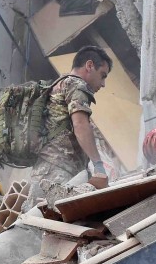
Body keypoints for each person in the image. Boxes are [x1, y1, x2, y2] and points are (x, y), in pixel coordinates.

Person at [31, 45, 113, 192]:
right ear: (89, 65)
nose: (103, 84)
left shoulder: (60, 84)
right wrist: (98, 165)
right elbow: (80, 124)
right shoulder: (76, 84)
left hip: (46, 170)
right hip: (59, 171)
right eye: (102, 75)